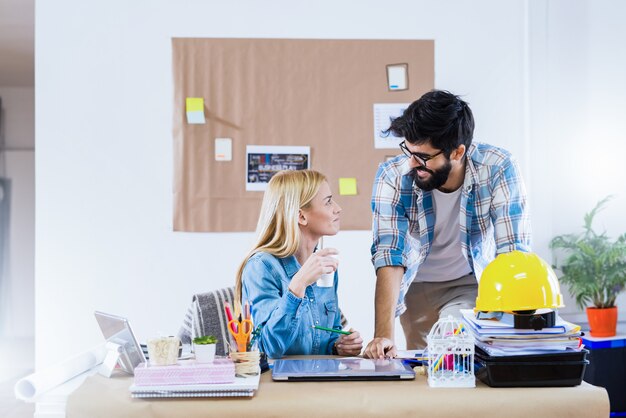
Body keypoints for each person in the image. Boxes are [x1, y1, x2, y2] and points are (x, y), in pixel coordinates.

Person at [364, 90, 531, 359]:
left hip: (466, 283)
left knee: (452, 351)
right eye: (409, 150)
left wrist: (513, 337)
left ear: (457, 151)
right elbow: (389, 254)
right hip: (414, 287)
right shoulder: (393, 176)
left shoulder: (498, 168)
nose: (412, 162)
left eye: (424, 156)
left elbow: (512, 252)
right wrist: (383, 336)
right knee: (423, 370)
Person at [235, 169, 363, 359]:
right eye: (328, 201)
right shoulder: (261, 267)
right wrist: (297, 286)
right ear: (301, 216)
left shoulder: (325, 267)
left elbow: (327, 336)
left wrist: (338, 346)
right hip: (277, 382)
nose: (337, 208)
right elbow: (268, 348)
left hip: (319, 380)